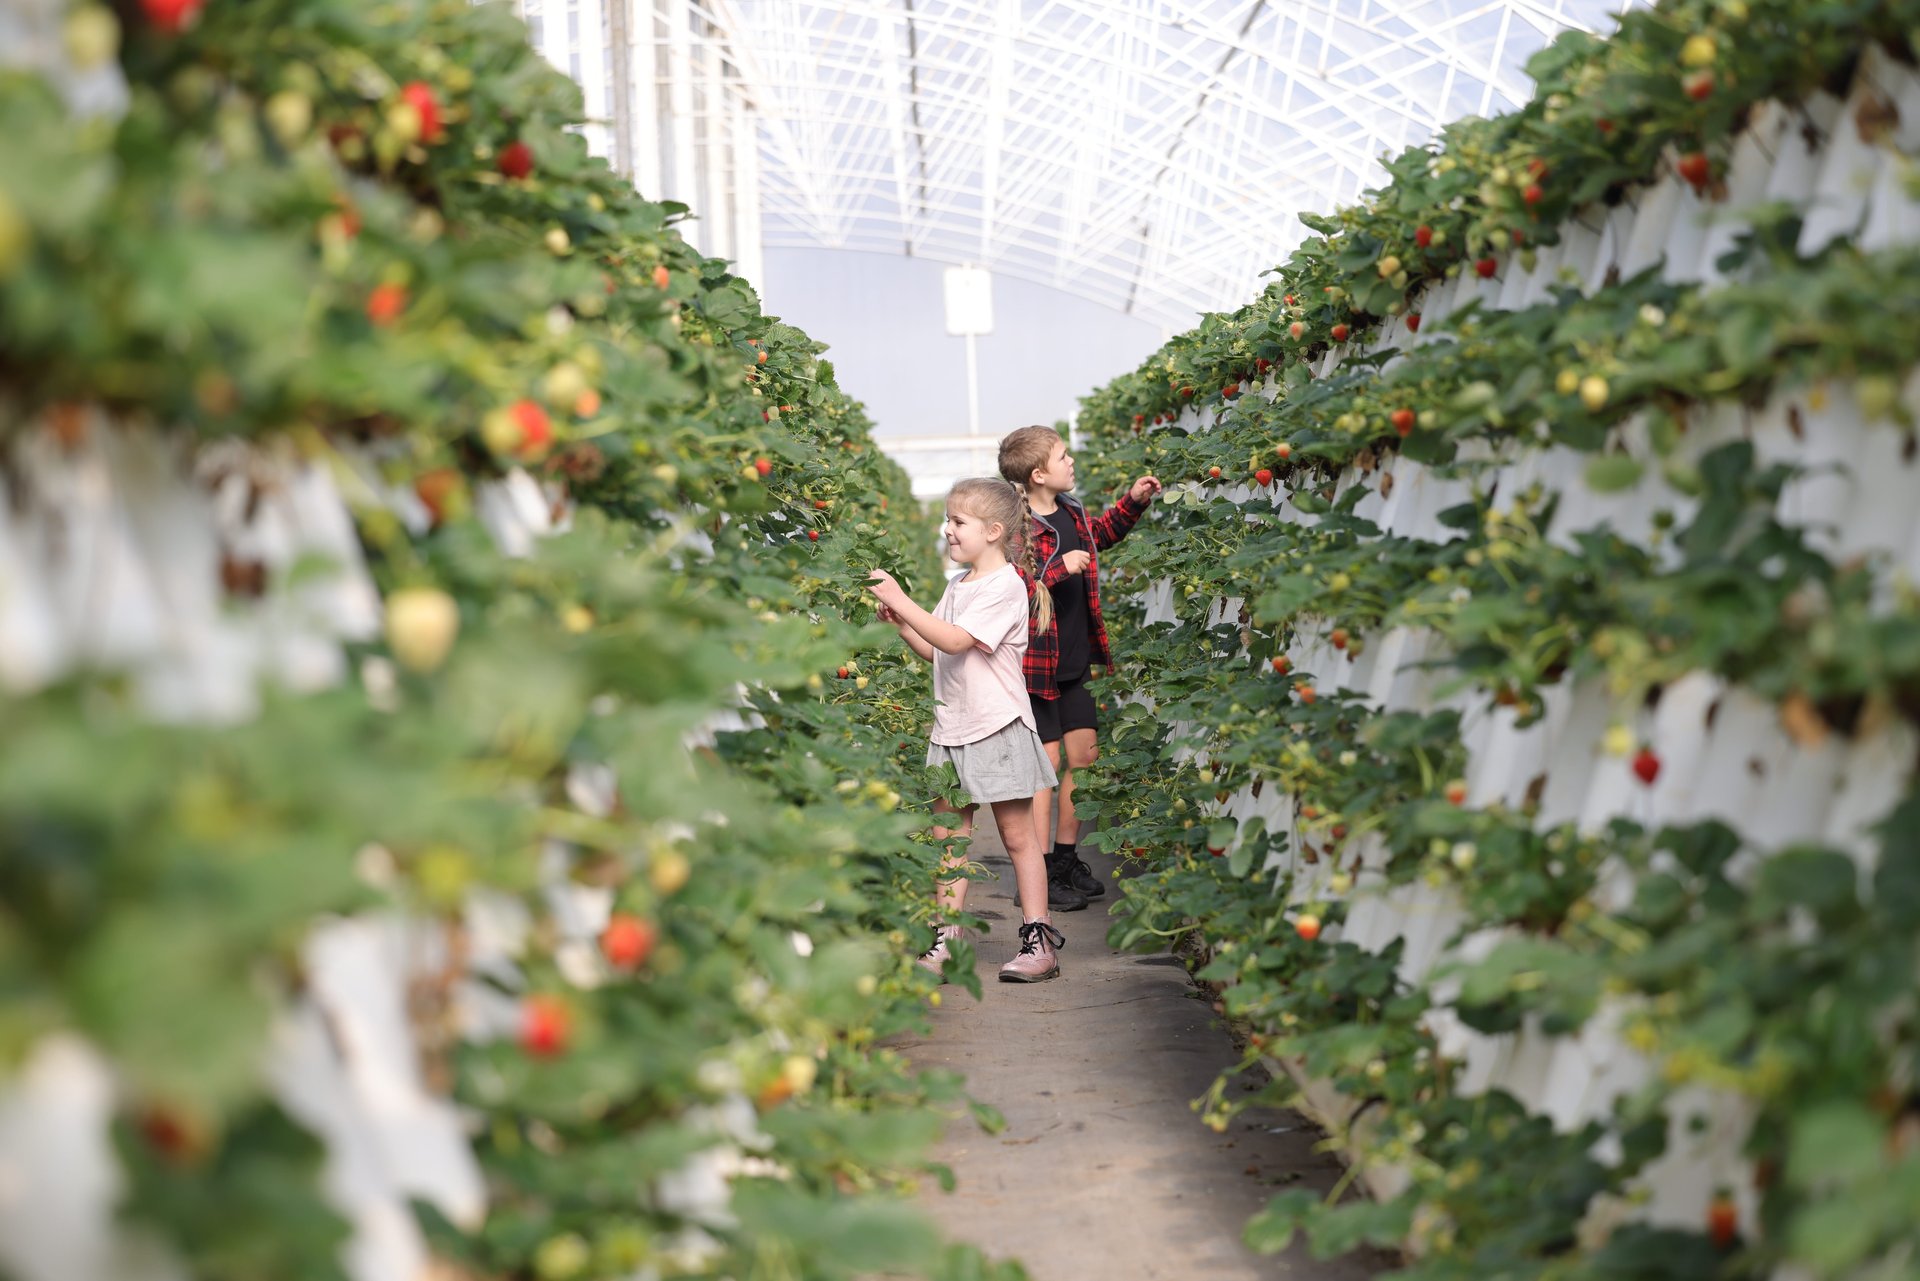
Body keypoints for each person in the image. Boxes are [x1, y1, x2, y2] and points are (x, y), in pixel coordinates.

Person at [867, 477, 1068, 983]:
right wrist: (902, 623)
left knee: (1018, 836)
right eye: (949, 520)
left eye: (958, 522)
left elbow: (957, 641)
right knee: (948, 839)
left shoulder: (1005, 586)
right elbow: (937, 647)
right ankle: (947, 941)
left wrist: (902, 598)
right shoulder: (958, 585)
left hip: (995, 726)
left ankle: (1038, 939)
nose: (948, 531)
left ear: (994, 531)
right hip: (951, 727)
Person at [996, 425, 1161, 911]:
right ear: (1039, 473)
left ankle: (1066, 860)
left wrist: (1132, 502)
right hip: (1034, 667)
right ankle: (1041, 869)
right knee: (1046, 769)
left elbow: (1100, 537)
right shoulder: (1015, 528)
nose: (1072, 462)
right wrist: (1055, 570)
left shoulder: (1071, 511)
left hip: (1072, 658)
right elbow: (1009, 587)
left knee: (1083, 758)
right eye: (1064, 456)